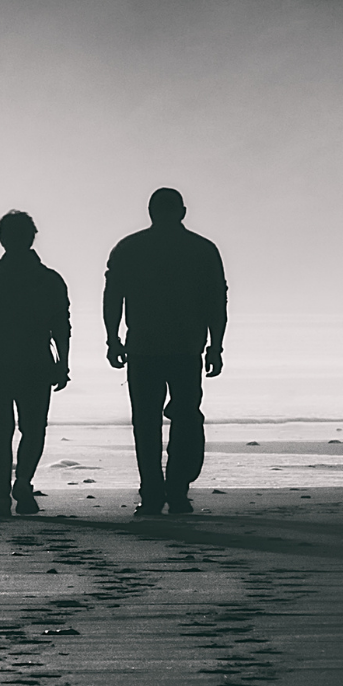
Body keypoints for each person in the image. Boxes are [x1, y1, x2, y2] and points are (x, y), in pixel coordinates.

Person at [104, 187, 227, 515]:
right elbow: (217, 302)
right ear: (183, 212)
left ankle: (153, 493)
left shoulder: (130, 248)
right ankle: (177, 489)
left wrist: (112, 339)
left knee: (145, 423)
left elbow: (113, 297)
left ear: (150, 212)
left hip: (144, 349)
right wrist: (215, 346)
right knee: (185, 417)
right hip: (186, 349)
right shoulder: (202, 250)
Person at [0, 210, 71, 518]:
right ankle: (22, 482)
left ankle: (0, 498)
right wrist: (63, 362)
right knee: (33, 429)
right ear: (32, 237)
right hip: (34, 360)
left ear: (1, 239)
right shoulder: (49, 280)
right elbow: (61, 326)